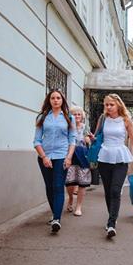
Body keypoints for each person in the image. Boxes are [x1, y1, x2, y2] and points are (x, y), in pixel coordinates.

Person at [92, 94, 133, 238]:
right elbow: (96, 135)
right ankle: (112, 217)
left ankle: (111, 223)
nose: (108, 107)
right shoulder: (103, 119)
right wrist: (91, 138)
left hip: (120, 157)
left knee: (115, 190)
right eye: (106, 104)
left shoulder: (125, 120)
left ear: (118, 105)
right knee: (108, 191)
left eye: (111, 104)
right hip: (105, 157)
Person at [33, 89, 76, 233]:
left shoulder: (69, 117)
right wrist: (44, 157)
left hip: (61, 156)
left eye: (58, 98)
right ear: (49, 100)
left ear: (62, 100)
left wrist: (69, 157)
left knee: (58, 186)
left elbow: (72, 139)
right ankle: (54, 213)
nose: (56, 100)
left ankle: (57, 219)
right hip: (45, 156)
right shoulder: (42, 117)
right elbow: (37, 140)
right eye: (53, 98)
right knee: (49, 187)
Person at [65, 106, 91, 217]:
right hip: (70, 155)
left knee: (82, 182)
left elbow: (89, 141)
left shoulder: (85, 127)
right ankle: (71, 198)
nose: (77, 116)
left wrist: (89, 140)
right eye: (74, 114)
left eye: (79, 114)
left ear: (82, 116)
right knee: (69, 182)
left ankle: (78, 206)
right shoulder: (67, 127)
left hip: (83, 155)